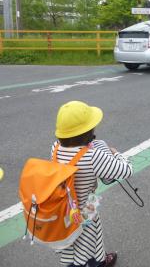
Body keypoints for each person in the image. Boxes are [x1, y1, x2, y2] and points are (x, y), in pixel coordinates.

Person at [53, 101, 133, 267]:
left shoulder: (55, 148)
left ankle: (97, 260)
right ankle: (97, 263)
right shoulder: (92, 156)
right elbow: (126, 170)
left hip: (63, 207)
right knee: (88, 239)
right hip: (84, 208)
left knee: (72, 243)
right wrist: (116, 153)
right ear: (88, 131)